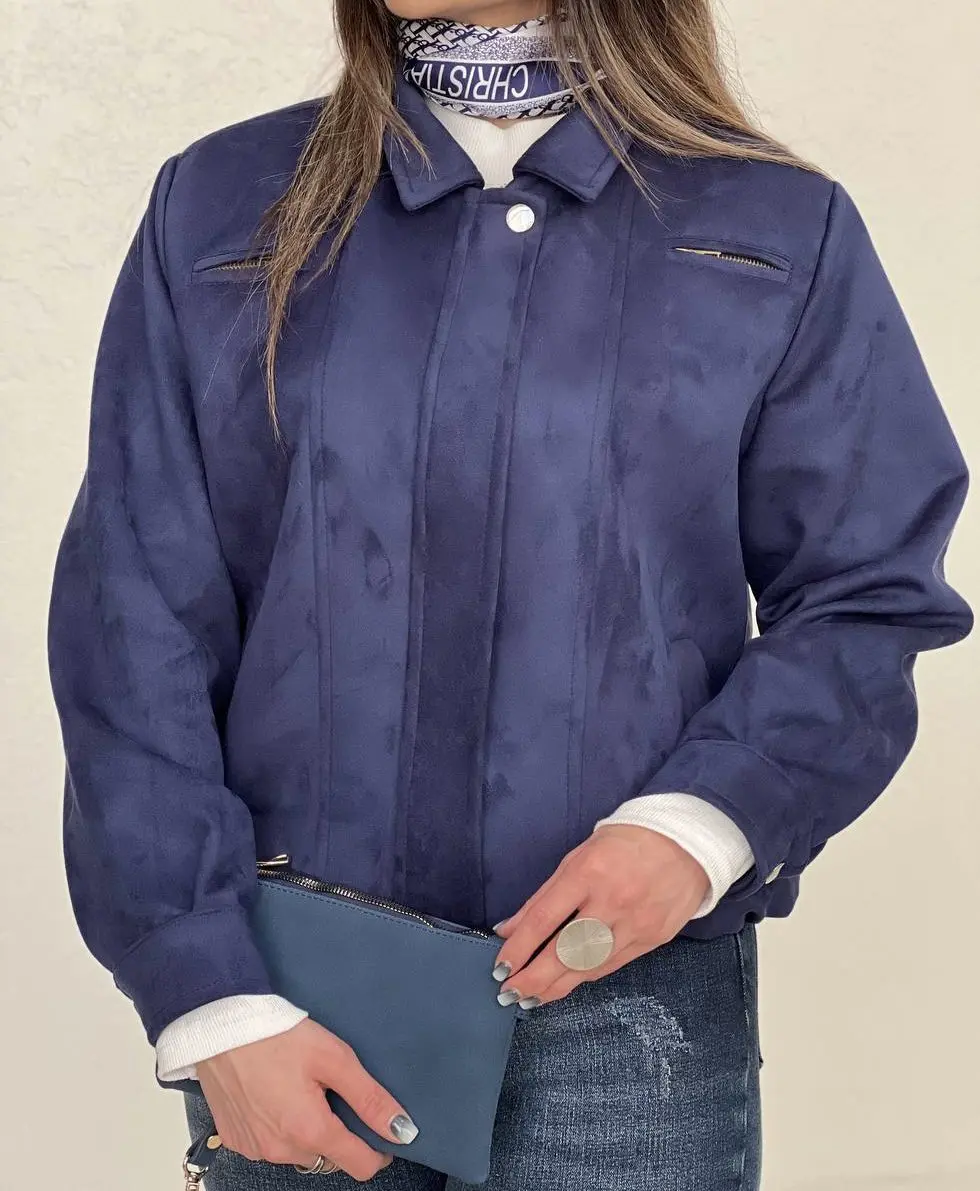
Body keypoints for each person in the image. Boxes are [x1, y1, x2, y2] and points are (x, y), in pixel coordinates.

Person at [46, 1, 973, 1188]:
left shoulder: (769, 224)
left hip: (627, 1010)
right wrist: (206, 994)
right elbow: (133, 611)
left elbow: (864, 593)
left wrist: (696, 830)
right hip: (294, 1002)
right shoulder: (223, 201)